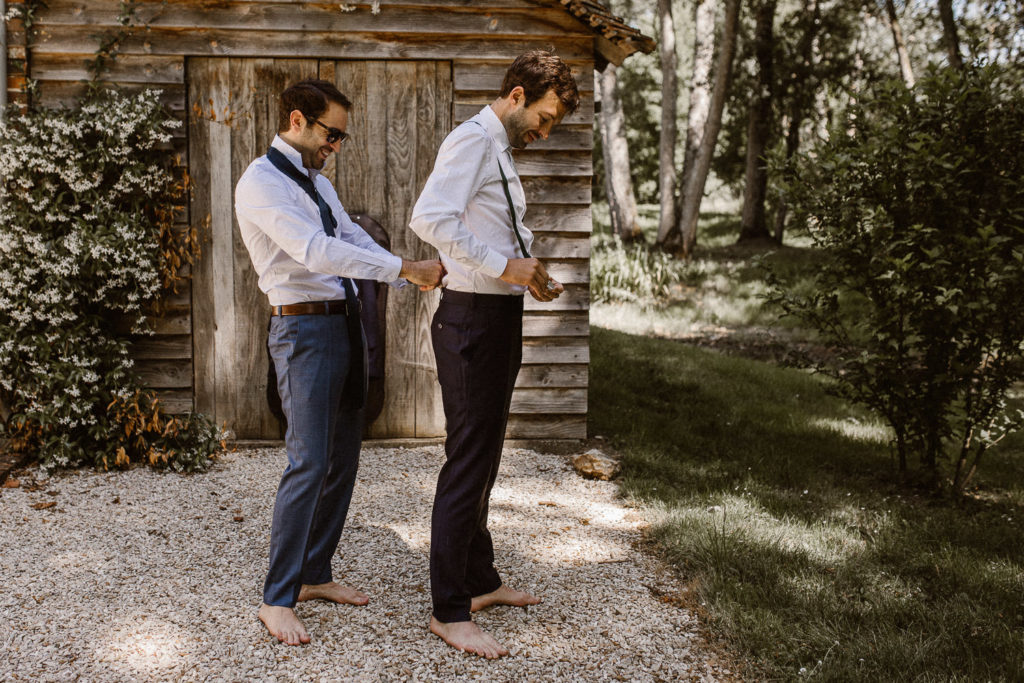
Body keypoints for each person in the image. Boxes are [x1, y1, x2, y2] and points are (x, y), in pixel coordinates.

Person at [235, 79, 443, 646]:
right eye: (333, 134)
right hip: (302, 328)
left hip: (345, 323)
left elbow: (348, 233)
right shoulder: (260, 183)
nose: (338, 145)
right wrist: (403, 269)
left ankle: (314, 573)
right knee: (307, 461)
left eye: (343, 136)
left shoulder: (318, 184)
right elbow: (315, 251)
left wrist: (412, 267)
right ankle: (276, 598)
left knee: (344, 456)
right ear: (298, 120)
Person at [409, 51, 580, 659]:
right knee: (468, 458)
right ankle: (449, 610)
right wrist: (505, 266)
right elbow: (429, 218)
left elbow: (492, 230)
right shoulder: (472, 140)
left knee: (485, 455)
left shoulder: (501, 149)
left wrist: (525, 272)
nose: (545, 129)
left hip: (499, 313)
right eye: (545, 115)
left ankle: (479, 582)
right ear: (515, 95)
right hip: (471, 321)